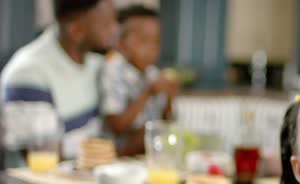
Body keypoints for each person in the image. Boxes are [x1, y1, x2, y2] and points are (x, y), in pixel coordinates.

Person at [1, 0, 118, 166]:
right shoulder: (30, 73)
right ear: (76, 30)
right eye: (106, 24)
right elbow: (44, 161)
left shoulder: (97, 63)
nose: (115, 29)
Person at [100, 5, 178, 156]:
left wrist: (170, 97)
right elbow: (117, 127)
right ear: (121, 44)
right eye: (144, 41)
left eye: (156, 41)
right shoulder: (112, 69)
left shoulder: (151, 72)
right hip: (117, 155)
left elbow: (166, 123)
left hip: (145, 155)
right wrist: (148, 93)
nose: (152, 49)